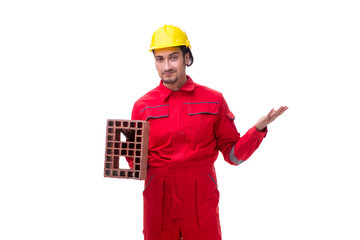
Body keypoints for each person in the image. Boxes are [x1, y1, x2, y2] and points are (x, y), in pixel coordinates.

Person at [128, 25, 288, 240]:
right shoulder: (143, 106)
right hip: (159, 197)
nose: (166, 66)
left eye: (173, 57)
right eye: (160, 59)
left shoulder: (213, 100)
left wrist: (257, 131)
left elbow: (233, 155)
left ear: (187, 58)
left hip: (201, 195)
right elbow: (134, 162)